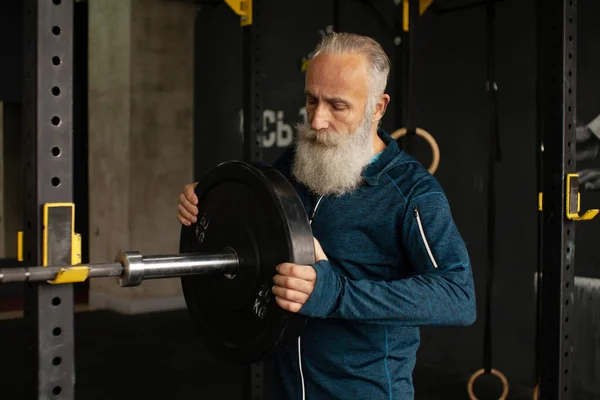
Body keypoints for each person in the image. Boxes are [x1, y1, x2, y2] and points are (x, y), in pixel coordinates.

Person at [178, 32, 476, 400]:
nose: (317, 120)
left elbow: (457, 296)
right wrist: (208, 199)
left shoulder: (411, 192)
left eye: (337, 106)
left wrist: (335, 293)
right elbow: (259, 213)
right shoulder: (298, 160)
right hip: (287, 388)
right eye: (311, 100)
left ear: (377, 107)